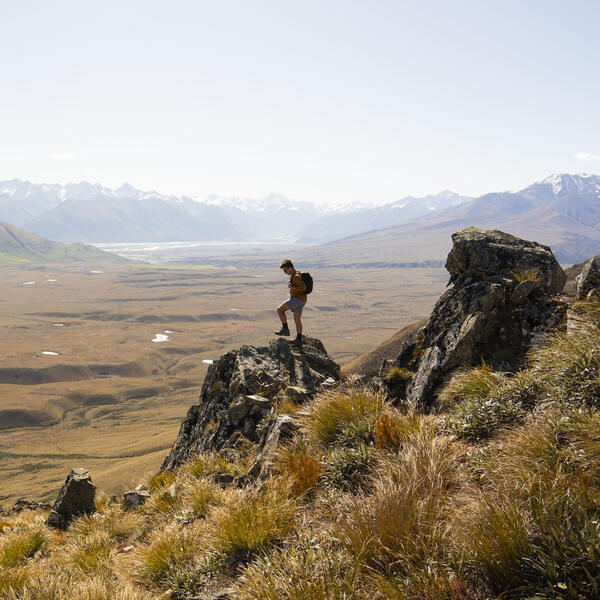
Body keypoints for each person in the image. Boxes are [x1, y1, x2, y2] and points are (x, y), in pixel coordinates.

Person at [275, 259, 306, 342]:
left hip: (297, 299)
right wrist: (289, 282)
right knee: (297, 319)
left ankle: (285, 329)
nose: (285, 272)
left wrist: (293, 287)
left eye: (285, 270)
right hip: (302, 300)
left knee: (280, 310)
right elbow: (293, 281)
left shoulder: (296, 276)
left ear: (290, 268)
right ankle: (299, 339)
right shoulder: (295, 274)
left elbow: (303, 288)